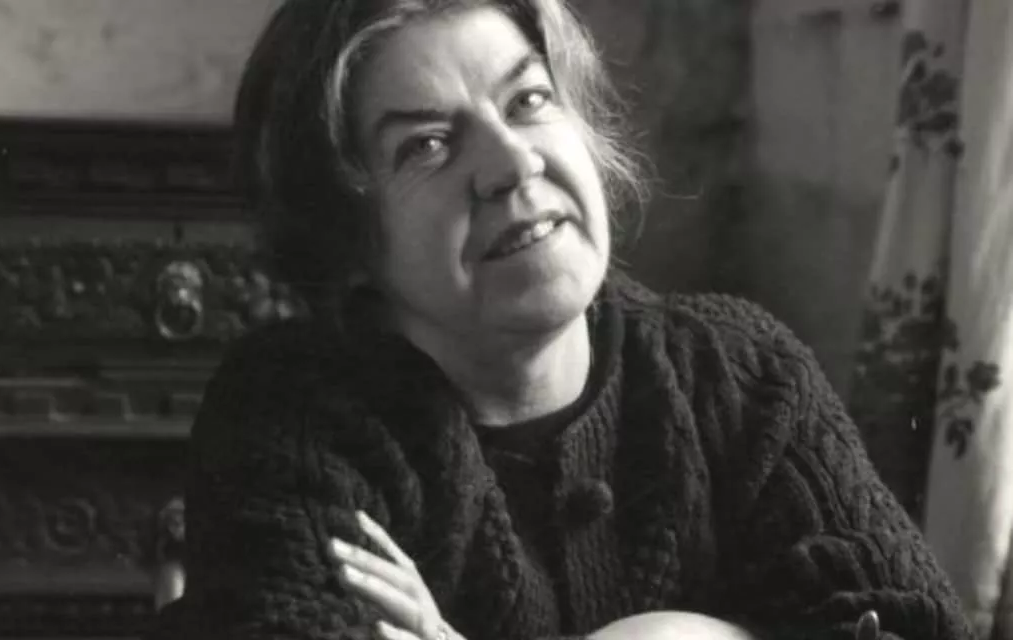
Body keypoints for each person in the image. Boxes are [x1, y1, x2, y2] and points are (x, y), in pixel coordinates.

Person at [158, 0, 976, 638]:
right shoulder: (296, 412)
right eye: (427, 145)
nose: (513, 163)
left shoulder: (742, 371)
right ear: (346, 236)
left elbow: (916, 626)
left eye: (529, 100)